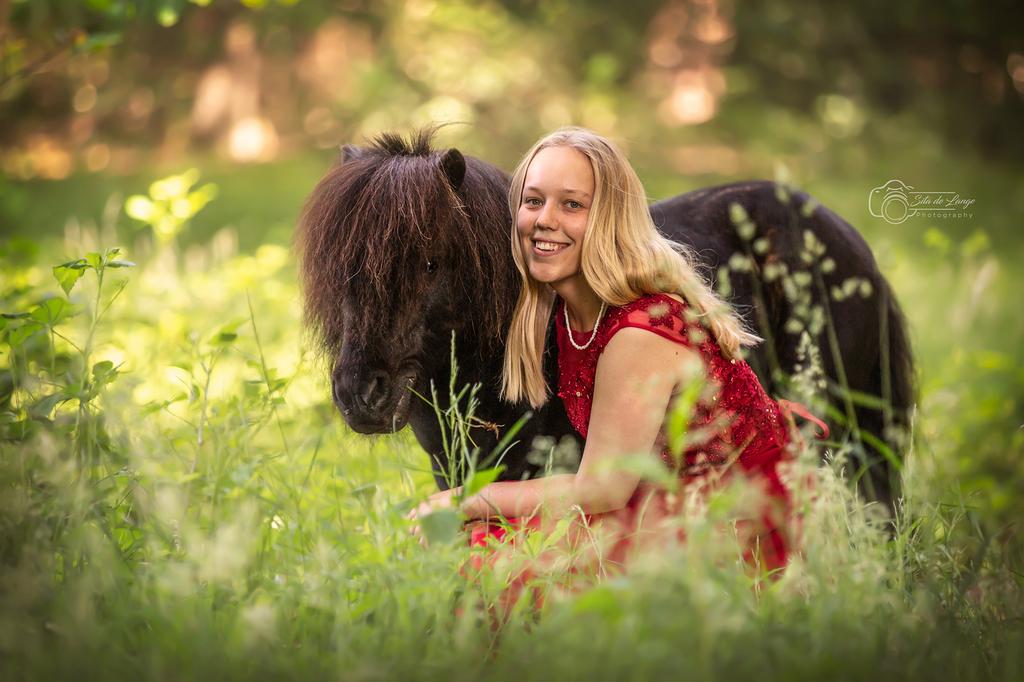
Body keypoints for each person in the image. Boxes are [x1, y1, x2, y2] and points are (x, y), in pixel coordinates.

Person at [409, 127, 824, 590]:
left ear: (611, 220)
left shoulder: (640, 330)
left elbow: (602, 489)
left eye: (572, 205)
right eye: (533, 201)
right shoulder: (566, 313)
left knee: (504, 567)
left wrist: (468, 497)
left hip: (739, 513)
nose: (545, 219)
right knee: (485, 540)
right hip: (663, 499)